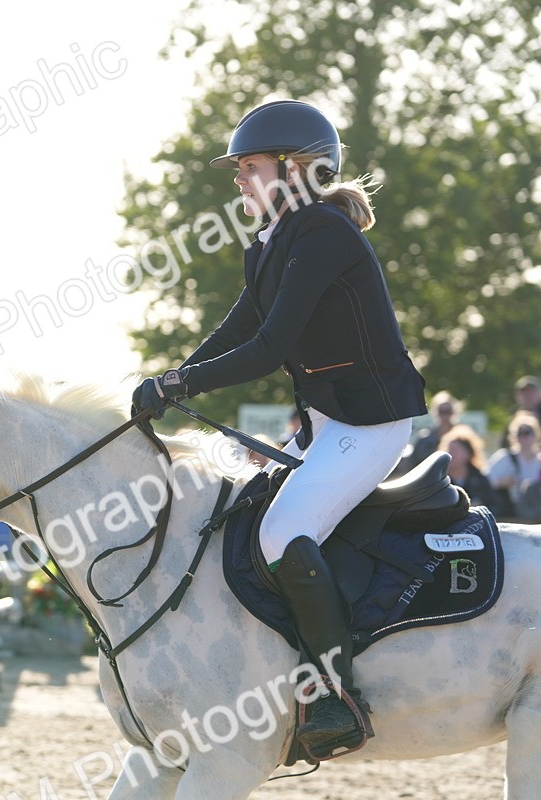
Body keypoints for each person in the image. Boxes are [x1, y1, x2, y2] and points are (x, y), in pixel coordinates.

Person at [131, 99, 427, 752]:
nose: (237, 178)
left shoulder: (323, 232)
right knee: (239, 509)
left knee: (283, 530)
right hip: (327, 422)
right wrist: (171, 377)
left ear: (295, 170)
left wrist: (179, 385)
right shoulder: (271, 240)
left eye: (249, 166)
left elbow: (268, 347)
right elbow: (237, 327)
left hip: (369, 423)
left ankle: (335, 695)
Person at [487, 411, 541, 521]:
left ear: (536, 434)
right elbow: (486, 481)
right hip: (511, 512)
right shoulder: (504, 457)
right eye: (520, 433)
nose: (524, 437)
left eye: (527, 432)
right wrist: (501, 482)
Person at [392, 390, 460, 477]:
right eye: (441, 411)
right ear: (435, 412)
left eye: (448, 411)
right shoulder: (424, 438)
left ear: (454, 412)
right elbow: (413, 465)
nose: (444, 415)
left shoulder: (463, 438)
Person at [438, 425, 500, 515]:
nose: (452, 454)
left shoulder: (480, 478)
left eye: (456, 450)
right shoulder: (440, 479)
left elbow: (494, 505)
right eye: (450, 450)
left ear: (468, 453)